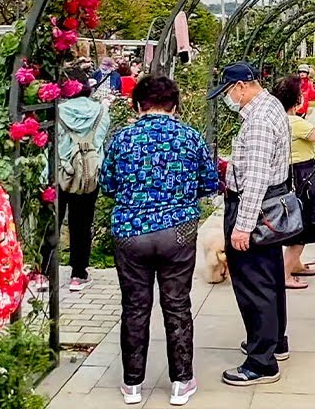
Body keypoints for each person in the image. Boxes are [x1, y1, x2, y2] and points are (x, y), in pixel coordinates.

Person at [99, 76, 219, 406]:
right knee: (177, 304)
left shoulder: (122, 138)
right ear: (175, 105)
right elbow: (210, 183)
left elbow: (107, 185)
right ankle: (181, 381)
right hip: (178, 231)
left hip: (131, 232)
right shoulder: (190, 137)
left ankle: (132, 384)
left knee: (135, 306)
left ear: (137, 105)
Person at [209, 61, 292, 387]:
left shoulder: (257, 120)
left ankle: (261, 361)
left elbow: (256, 178)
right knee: (270, 277)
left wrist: (242, 226)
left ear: (242, 86)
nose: (229, 98)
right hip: (271, 206)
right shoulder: (271, 105)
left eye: (229, 91)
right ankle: (275, 341)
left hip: (254, 209)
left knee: (254, 284)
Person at [47, 68, 111, 292]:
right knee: (82, 223)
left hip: (59, 173)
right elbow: (101, 140)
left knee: (52, 220)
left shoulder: (58, 111)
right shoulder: (102, 112)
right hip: (89, 174)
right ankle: (78, 273)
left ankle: (44, 272)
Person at [271, 75, 315, 289]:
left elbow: (309, 132)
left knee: (294, 222)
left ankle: (295, 265)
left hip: (288, 176)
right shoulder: (295, 122)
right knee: (303, 225)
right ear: (296, 100)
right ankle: (285, 274)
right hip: (304, 177)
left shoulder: (279, 119)